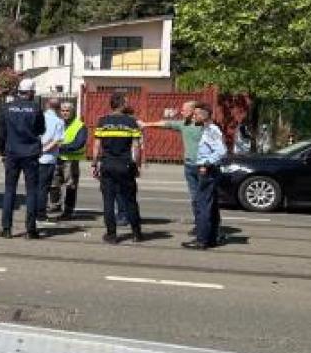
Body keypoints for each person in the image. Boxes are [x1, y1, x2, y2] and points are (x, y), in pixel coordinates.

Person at [141, 101, 201, 234]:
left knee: (205, 197)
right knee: (195, 197)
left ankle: (210, 225)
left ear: (193, 111)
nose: (181, 111)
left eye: (184, 109)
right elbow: (164, 124)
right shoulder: (184, 124)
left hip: (203, 167)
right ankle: (199, 224)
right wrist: (146, 124)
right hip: (189, 166)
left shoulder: (204, 125)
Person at [91, 92, 143, 244]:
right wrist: (137, 165)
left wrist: (94, 164)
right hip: (125, 165)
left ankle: (112, 235)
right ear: (122, 104)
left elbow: (96, 146)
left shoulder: (102, 122)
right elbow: (136, 147)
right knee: (130, 200)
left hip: (107, 165)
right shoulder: (131, 122)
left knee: (108, 200)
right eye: (126, 102)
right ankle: (136, 233)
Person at [0, 78, 45, 240]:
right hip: (30, 154)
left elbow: (2, 133)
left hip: (12, 153)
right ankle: (30, 230)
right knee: (32, 192)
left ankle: (6, 229)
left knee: (9, 191)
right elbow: (41, 129)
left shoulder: (7, 108)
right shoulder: (36, 108)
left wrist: (2, 152)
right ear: (31, 92)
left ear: (19, 91)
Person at [183, 103, 227, 250]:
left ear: (204, 115)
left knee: (203, 205)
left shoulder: (212, 130)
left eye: (196, 115)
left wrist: (206, 164)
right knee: (212, 205)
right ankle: (211, 238)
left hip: (208, 171)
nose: (193, 117)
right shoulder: (207, 129)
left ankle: (201, 240)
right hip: (208, 170)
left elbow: (221, 151)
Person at [50, 101, 87, 220]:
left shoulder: (80, 125)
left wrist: (61, 147)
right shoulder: (58, 123)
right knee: (53, 184)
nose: (65, 113)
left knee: (70, 186)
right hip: (56, 158)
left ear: (72, 112)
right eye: (63, 111)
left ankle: (68, 211)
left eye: (67, 111)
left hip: (71, 161)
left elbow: (79, 143)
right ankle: (55, 206)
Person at [35, 97, 66, 222]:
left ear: (47, 105)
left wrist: (38, 149)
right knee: (44, 188)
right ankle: (40, 214)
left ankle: (33, 211)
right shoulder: (59, 121)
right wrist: (45, 149)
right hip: (48, 158)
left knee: (34, 186)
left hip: (34, 156)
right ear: (58, 108)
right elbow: (57, 140)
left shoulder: (38, 117)